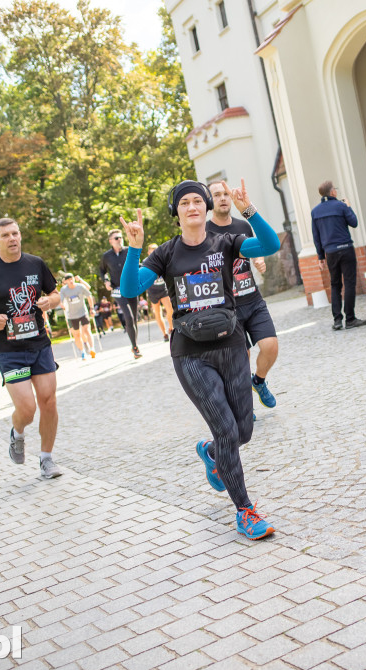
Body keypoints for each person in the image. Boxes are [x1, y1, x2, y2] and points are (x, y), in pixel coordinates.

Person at [119, 179, 281, 540]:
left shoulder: (226, 243)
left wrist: (249, 210)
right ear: (176, 213)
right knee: (226, 429)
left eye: (198, 201)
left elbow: (271, 245)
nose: (192, 207)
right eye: (184, 203)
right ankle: (245, 511)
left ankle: (211, 453)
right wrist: (134, 249)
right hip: (191, 354)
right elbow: (130, 289)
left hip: (232, 345)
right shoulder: (166, 253)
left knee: (243, 432)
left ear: (207, 208)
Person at [0, 217, 63, 480]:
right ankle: (17, 433)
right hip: (10, 351)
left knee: (49, 402)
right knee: (28, 409)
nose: (13, 239)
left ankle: (46, 459)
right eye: (6, 235)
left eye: (16, 233)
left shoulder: (35, 263)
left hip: (40, 344)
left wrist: (48, 302)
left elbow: (55, 294)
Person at [207, 181, 278, 408]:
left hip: (253, 299)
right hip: (227, 307)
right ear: (210, 202)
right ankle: (243, 405)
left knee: (270, 346)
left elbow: (257, 248)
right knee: (241, 358)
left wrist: (258, 259)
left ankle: (258, 381)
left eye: (226, 194)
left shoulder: (242, 226)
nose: (223, 198)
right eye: (216, 195)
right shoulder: (205, 233)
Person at [311, 181, 366, 331]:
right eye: (335, 189)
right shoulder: (341, 206)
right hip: (346, 248)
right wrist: (348, 206)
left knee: (335, 284)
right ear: (333, 192)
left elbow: (316, 236)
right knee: (349, 283)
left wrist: (320, 257)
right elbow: (354, 222)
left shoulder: (315, 212)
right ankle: (350, 319)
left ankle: (337, 320)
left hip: (330, 253)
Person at [99, 228, 142, 358]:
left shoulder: (129, 251)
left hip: (132, 287)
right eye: (117, 238)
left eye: (121, 237)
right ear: (111, 241)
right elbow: (102, 271)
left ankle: (134, 344)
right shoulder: (106, 256)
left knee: (134, 319)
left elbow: (137, 264)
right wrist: (106, 281)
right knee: (128, 317)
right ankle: (135, 348)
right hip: (118, 289)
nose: (120, 240)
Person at [59, 273, 97, 360]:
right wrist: (62, 304)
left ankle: (92, 349)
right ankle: (82, 351)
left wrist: (91, 308)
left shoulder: (80, 287)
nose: (70, 281)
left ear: (73, 279)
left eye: (71, 279)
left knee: (87, 330)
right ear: (66, 281)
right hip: (72, 315)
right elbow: (60, 300)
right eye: (68, 280)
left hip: (83, 313)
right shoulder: (64, 290)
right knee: (77, 334)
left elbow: (89, 295)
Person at [144, 244, 174, 341]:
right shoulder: (145, 262)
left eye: (155, 250)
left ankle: (171, 327)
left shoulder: (162, 259)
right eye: (151, 251)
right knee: (157, 312)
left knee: (170, 309)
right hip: (152, 290)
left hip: (163, 289)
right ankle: (164, 333)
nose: (153, 252)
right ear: (148, 252)